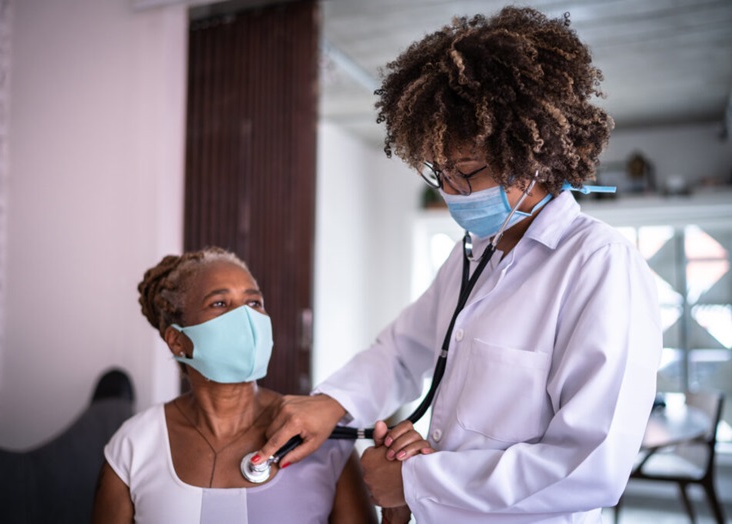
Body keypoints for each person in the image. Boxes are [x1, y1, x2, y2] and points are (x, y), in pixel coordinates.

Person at [255, 6, 662, 523]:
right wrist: (331, 403)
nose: (451, 190)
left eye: (467, 170)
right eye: (440, 170)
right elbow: (404, 351)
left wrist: (416, 480)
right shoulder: (477, 251)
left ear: (532, 155)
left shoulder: (599, 265)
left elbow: (591, 465)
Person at [91, 247, 377, 523]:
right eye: (219, 303)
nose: (247, 318)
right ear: (177, 341)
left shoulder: (318, 439)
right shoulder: (135, 446)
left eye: (254, 303)